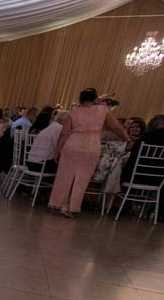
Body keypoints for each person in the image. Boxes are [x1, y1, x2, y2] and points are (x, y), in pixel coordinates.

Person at [49, 88, 128, 217]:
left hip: (73, 144)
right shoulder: (103, 110)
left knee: (64, 175)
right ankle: (71, 207)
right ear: (95, 99)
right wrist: (126, 138)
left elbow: (64, 134)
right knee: (82, 178)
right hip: (91, 146)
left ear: (80, 99)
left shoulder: (74, 112)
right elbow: (115, 127)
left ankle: (58, 204)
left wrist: (58, 150)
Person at [121, 114, 164, 185]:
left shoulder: (144, 137)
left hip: (132, 177)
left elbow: (133, 155)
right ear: (161, 124)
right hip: (156, 180)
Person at [27, 108, 63, 175]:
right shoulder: (59, 127)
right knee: (65, 167)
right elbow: (58, 147)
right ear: (61, 120)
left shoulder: (50, 127)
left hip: (30, 162)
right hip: (39, 165)